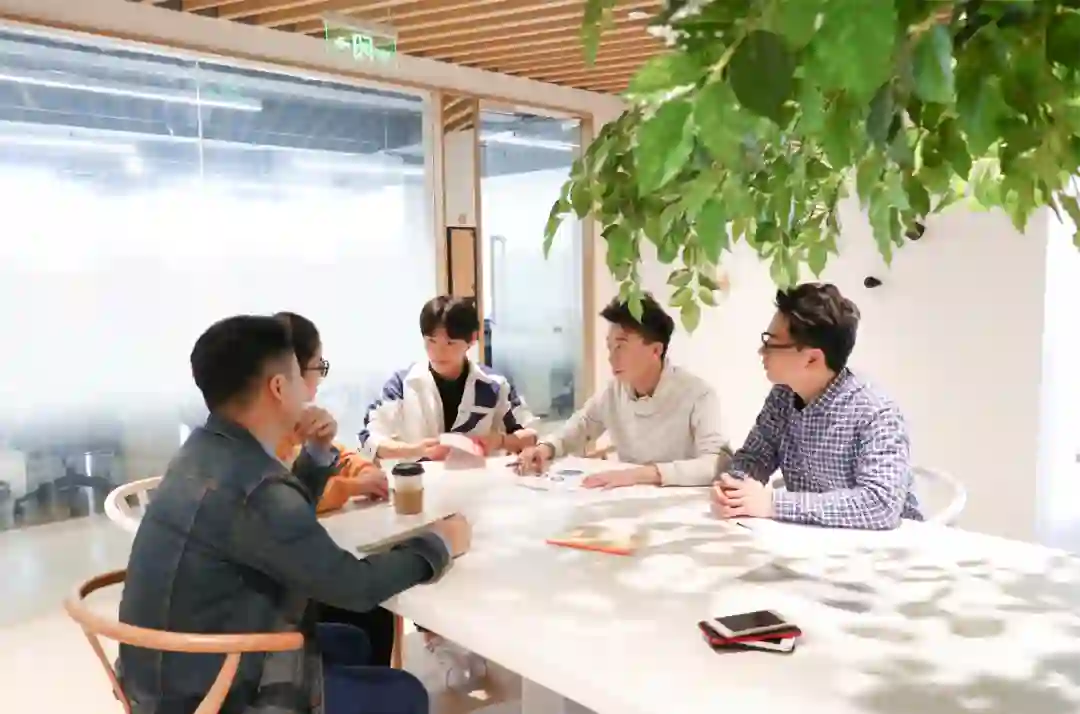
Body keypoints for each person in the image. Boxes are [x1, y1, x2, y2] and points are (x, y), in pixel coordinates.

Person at [118, 314, 472, 714]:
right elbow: (354, 587)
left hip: (162, 673)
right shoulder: (256, 485)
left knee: (352, 641)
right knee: (404, 692)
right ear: (278, 387)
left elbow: (276, 526)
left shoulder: (203, 451)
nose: (308, 388)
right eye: (300, 374)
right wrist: (439, 543)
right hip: (211, 695)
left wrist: (318, 454)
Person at [711, 283, 923, 530]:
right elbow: (755, 457)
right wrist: (734, 488)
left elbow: (880, 505)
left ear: (812, 358)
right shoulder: (783, 396)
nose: (761, 351)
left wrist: (774, 504)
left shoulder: (875, 413)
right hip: (813, 539)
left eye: (772, 343)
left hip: (885, 547)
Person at [273, 311, 397, 670]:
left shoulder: (289, 420)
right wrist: (434, 549)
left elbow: (337, 455)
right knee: (368, 598)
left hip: (246, 628)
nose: (320, 378)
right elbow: (290, 496)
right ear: (287, 377)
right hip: (256, 647)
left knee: (370, 606)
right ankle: (368, 688)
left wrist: (362, 470)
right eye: (318, 367)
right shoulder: (263, 437)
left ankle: (367, 683)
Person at [516, 293, 730, 489]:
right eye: (609, 347)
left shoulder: (698, 395)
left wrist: (640, 474)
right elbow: (581, 426)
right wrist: (546, 448)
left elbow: (715, 465)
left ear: (656, 350)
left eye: (621, 346)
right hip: (631, 500)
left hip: (685, 506)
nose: (611, 357)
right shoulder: (614, 392)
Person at [359, 295, 538, 460]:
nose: (438, 352)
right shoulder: (401, 384)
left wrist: (499, 441)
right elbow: (369, 439)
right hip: (422, 480)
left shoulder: (494, 384)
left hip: (479, 480)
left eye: (450, 343)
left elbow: (533, 435)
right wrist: (414, 450)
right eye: (431, 341)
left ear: (472, 339)